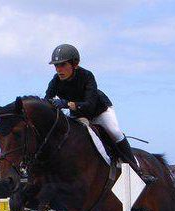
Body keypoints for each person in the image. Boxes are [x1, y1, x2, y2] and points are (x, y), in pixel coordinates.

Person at [44, 44, 152, 181]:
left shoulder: (87, 76)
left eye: (62, 65)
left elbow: (89, 106)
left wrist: (66, 104)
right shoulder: (55, 81)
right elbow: (47, 101)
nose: (58, 69)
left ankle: (137, 170)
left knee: (115, 132)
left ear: (74, 64)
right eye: (56, 66)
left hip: (100, 111)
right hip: (79, 115)